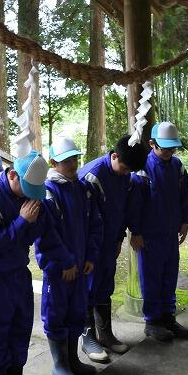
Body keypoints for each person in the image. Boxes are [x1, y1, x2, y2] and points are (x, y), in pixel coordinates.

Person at [0, 150, 74, 375]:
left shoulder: (33, 197)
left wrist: (66, 260)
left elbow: (48, 233)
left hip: (17, 274)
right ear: (13, 175)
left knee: (19, 331)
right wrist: (22, 222)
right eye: (27, 189)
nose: (30, 196)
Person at [37, 136, 102, 375]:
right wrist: (65, 262)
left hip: (81, 266)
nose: (73, 164)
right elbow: (47, 234)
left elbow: (95, 223)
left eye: (75, 158)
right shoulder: (48, 192)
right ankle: (60, 365)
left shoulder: (83, 188)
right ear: (53, 162)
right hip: (59, 270)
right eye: (66, 160)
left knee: (76, 312)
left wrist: (90, 256)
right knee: (56, 315)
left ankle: (73, 360)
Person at [78, 135, 148, 362]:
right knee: (88, 288)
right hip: (90, 244)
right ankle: (88, 338)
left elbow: (122, 209)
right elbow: (84, 219)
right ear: (114, 156)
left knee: (105, 285)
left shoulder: (125, 175)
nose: (127, 173)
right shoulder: (92, 176)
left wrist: (119, 239)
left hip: (110, 241)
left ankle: (105, 334)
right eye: (125, 168)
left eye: (130, 171)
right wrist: (89, 251)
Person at [130, 122, 188, 341]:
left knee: (169, 276)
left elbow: (185, 195)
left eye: (172, 148)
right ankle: (152, 321)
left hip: (170, 234)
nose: (169, 152)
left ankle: (168, 317)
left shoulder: (177, 166)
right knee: (151, 279)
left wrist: (185, 221)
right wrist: (136, 232)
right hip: (149, 236)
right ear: (152, 144)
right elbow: (135, 204)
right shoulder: (142, 169)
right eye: (165, 148)